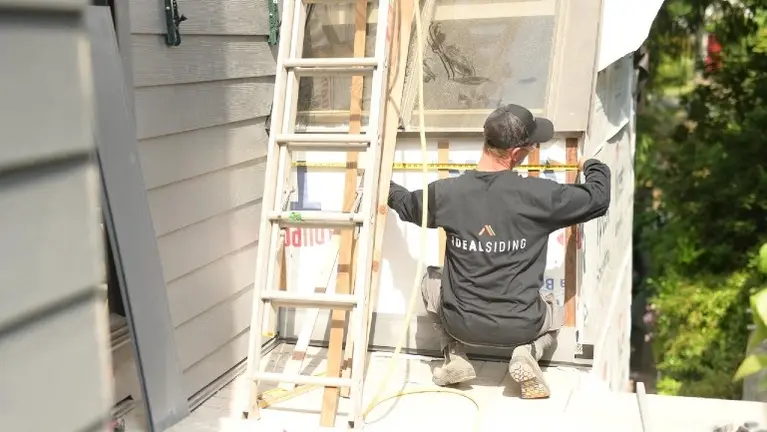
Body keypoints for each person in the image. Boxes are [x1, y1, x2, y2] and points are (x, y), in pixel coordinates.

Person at [387, 104, 611, 399]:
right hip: (522, 326)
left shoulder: (446, 193)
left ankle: (454, 354)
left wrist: (384, 183)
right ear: (516, 153)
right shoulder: (540, 196)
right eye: (531, 147)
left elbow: (405, 204)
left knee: (431, 280)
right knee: (553, 307)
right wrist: (592, 165)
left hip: (461, 325)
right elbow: (599, 198)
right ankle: (527, 352)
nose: (533, 150)